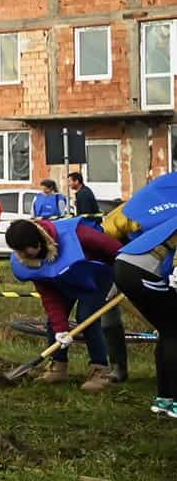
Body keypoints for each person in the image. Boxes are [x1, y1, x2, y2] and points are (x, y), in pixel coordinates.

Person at [4, 216, 119, 390]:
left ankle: (100, 370)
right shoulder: (28, 261)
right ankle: (58, 366)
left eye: (27, 250)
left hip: (97, 277)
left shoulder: (78, 235)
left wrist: (122, 276)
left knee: (86, 318)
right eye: (20, 251)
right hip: (64, 280)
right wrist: (60, 330)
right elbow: (50, 297)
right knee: (54, 320)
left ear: (38, 242)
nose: (24, 255)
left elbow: (116, 249)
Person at [101, 170, 177, 420]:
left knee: (168, 331)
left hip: (126, 263)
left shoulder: (163, 207)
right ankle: (172, 400)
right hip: (143, 270)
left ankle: (164, 400)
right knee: (174, 331)